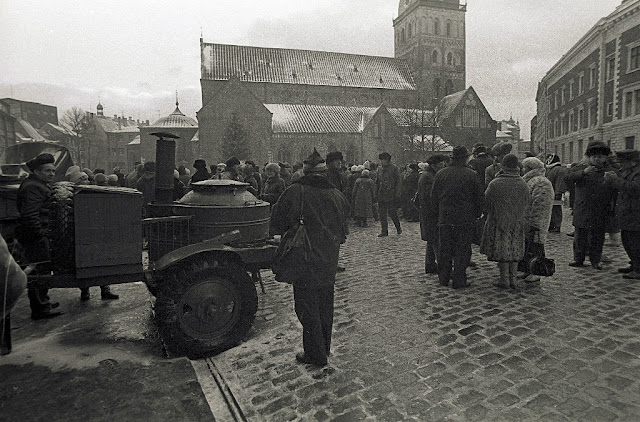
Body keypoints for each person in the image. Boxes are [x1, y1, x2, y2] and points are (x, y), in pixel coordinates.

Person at [270, 148, 349, 367]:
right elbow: (344, 225)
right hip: (329, 258)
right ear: (324, 173)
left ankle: (315, 355)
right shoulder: (337, 194)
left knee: (306, 305)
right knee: (326, 303)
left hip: (304, 256)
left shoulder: (296, 191)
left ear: (305, 171)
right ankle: (324, 347)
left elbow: (277, 218)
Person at [16, 153, 62, 319]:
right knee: (39, 272)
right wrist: (40, 235)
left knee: (41, 269)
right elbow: (30, 216)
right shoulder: (33, 187)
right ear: (36, 171)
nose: (51, 174)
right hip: (35, 237)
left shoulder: (38, 184)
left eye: (53, 171)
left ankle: (43, 302)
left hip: (37, 235)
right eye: (47, 171)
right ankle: (40, 309)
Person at [430, 146, 483, 289]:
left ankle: (444, 278)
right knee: (462, 249)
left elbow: (433, 198)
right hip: (465, 219)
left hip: (445, 218)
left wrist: (438, 214)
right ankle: (459, 279)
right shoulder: (472, 174)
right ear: (465, 158)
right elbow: (479, 198)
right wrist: (477, 214)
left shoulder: (440, 174)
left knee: (445, 249)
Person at [481, 154, 530, 289]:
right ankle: (513, 279)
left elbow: (486, 202)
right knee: (514, 250)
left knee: (502, 250)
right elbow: (527, 202)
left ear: (503, 166)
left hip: (498, 221)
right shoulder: (523, 183)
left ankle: (504, 279)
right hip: (517, 221)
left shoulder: (495, 183)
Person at [565, 142, 617, 270]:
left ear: (605, 158)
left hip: (601, 209)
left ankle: (595, 260)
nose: (597, 159)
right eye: (594, 157)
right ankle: (578, 259)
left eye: (600, 157)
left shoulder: (611, 172)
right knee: (580, 236)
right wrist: (583, 172)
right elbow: (568, 178)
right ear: (589, 158)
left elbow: (616, 191)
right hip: (583, 208)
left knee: (597, 237)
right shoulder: (580, 168)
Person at [605, 150, 640, 280]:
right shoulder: (629, 171)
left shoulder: (638, 172)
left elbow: (634, 188)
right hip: (628, 212)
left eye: (623, 162)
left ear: (632, 161)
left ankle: (638, 268)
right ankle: (634, 264)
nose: (621, 165)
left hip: (636, 214)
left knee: (635, 242)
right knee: (627, 240)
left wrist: (615, 180)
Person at [519, 157, 554, 283]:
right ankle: (528, 269)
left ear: (530, 168)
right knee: (528, 247)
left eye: (524, 167)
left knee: (537, 247)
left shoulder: (540, 182)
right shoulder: (531, 180)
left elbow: (541, 205)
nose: (522, 169)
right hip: (528, 219)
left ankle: (536, 273)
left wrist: (535, 223)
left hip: (536, 222)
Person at [418, 154, 447, 274]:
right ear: (434, 165)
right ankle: (443, 269)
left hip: (428, 213)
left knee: (431, 240)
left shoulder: (428, 175)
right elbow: (431, 198)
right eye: (441, 164)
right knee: (437, 241)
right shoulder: (429, 178)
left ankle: (430, 265)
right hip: (431, 214)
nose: (443, 166)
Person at [376, 152, 402, 237]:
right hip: (381, 194)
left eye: (383, 160)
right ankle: (384, 231)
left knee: (392, 213)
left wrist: (397, 194)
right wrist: (375, 193)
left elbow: (398, 182)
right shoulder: (379, 169)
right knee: (382, 214)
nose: (381, 162)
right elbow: (377, 182)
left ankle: (398, 227)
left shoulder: (394, 169)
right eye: (381, 160)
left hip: (391, 194)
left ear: (387, 160)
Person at [545, 154, 567, 233]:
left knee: (556, 209)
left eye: (550, 158)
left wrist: (559, 192)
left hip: (556, 192)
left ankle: (557, 226)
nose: (548, 160)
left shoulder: (558, 169)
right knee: (551, 209)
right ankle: (552, 225)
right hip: (551, 191)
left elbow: (560, 182)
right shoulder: (552, 169)